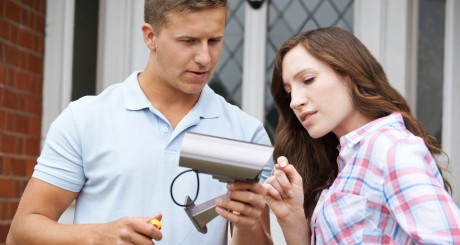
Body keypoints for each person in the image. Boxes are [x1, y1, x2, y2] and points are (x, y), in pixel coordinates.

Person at [7, 0, 273, 244]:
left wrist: (248, 225)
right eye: (189, 41)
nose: (205, 57)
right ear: (150, 36)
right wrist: (98, 235)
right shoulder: (86, 119)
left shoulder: (245, 133)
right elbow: (20, 234)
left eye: (214, 40)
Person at [263, 26, 460, 244]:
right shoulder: (342, 165)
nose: (294, 101)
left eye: (308, 80)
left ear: (350, 72)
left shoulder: (392, 150)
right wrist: (293, 219)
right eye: (289, 92)